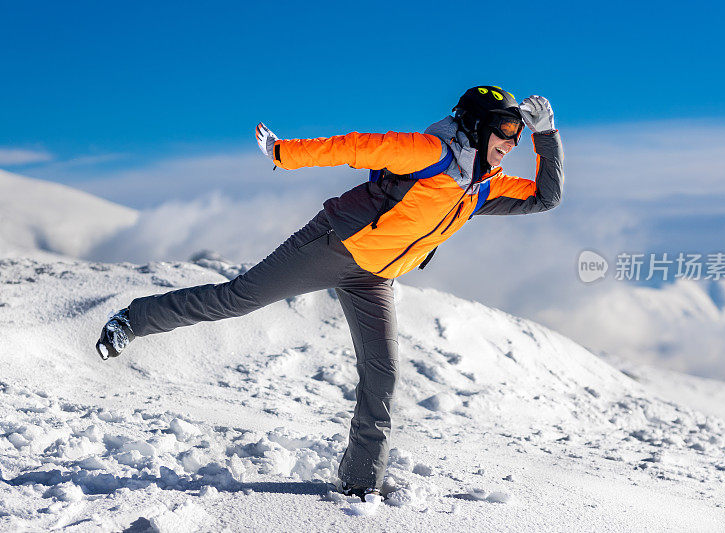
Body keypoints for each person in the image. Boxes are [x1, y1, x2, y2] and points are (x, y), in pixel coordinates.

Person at [96, 86, 564, 500]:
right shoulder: (429, 152)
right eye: (505, 129)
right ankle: (131, 322)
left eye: (518, 135)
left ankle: (360, 484)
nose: (511, 143)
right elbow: (354, 148)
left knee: (382, 378)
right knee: (238, 298)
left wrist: (548, 136)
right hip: (332, 245)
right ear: (476, 127)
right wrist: (284, 152)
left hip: (374, 277)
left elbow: (546, 197)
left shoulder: (483, 188)